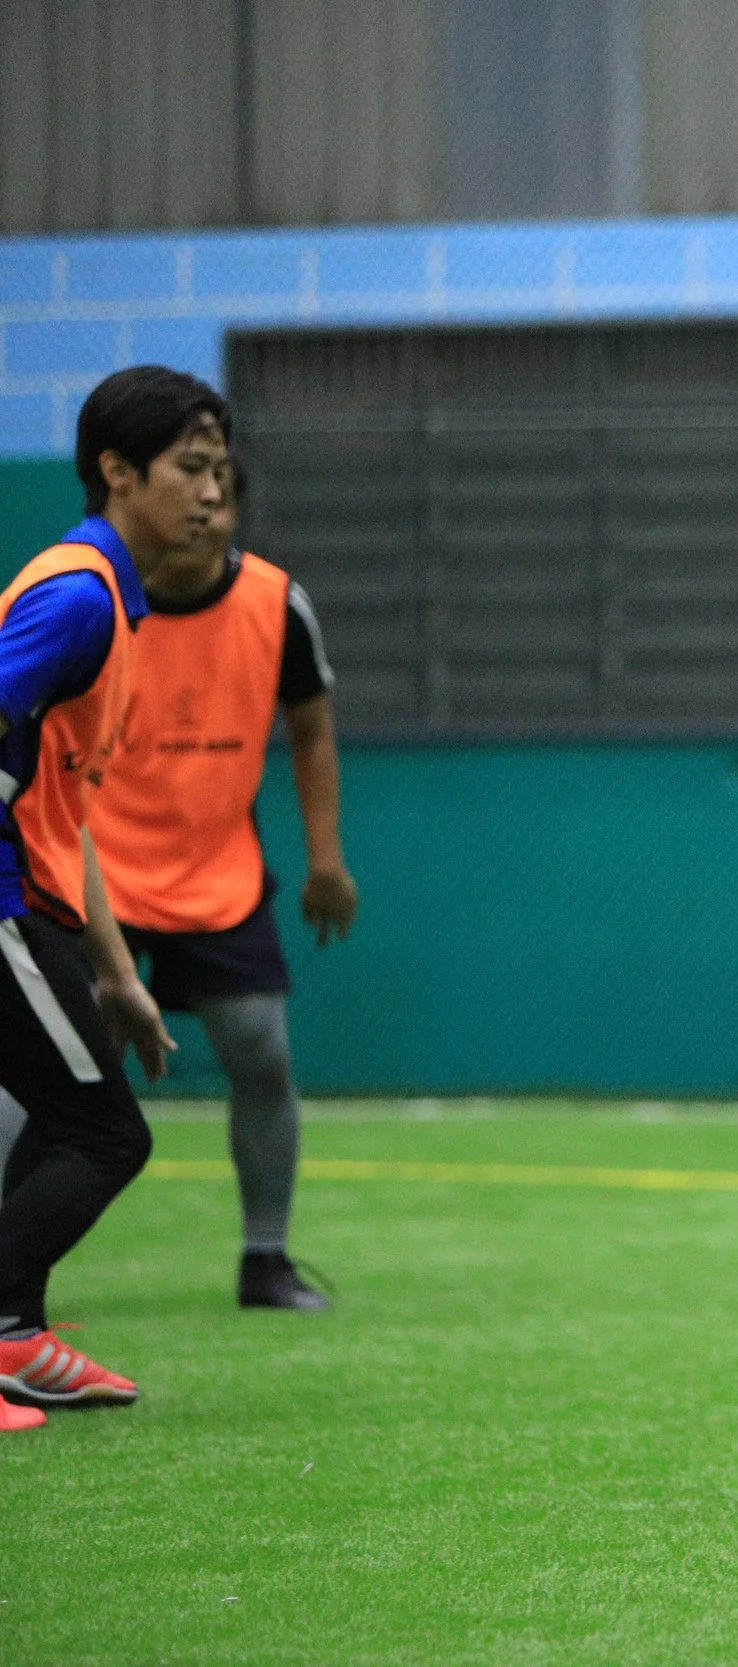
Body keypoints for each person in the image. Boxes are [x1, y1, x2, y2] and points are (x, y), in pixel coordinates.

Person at [0, 366, 223, 1428]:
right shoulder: (78, 596)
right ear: (117, 471)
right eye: (190, 467)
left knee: (69, 1120)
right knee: (103, 1134)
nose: (212, 493)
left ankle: (13, 1334)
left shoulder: (114, 605)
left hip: (33, 900)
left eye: (219, 470)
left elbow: (67, 807)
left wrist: (116, 972)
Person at [84, 457, 355, 1311]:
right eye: (190, 485)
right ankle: (15, 1273)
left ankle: (265, 1259)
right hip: (99, 875)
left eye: (222, 493)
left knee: (263, 1052)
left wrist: (325, 859)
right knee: (51, 1067)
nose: (206, 506)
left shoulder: (277, 604)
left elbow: (311, 732)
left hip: (218, 875)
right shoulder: (91, 598)